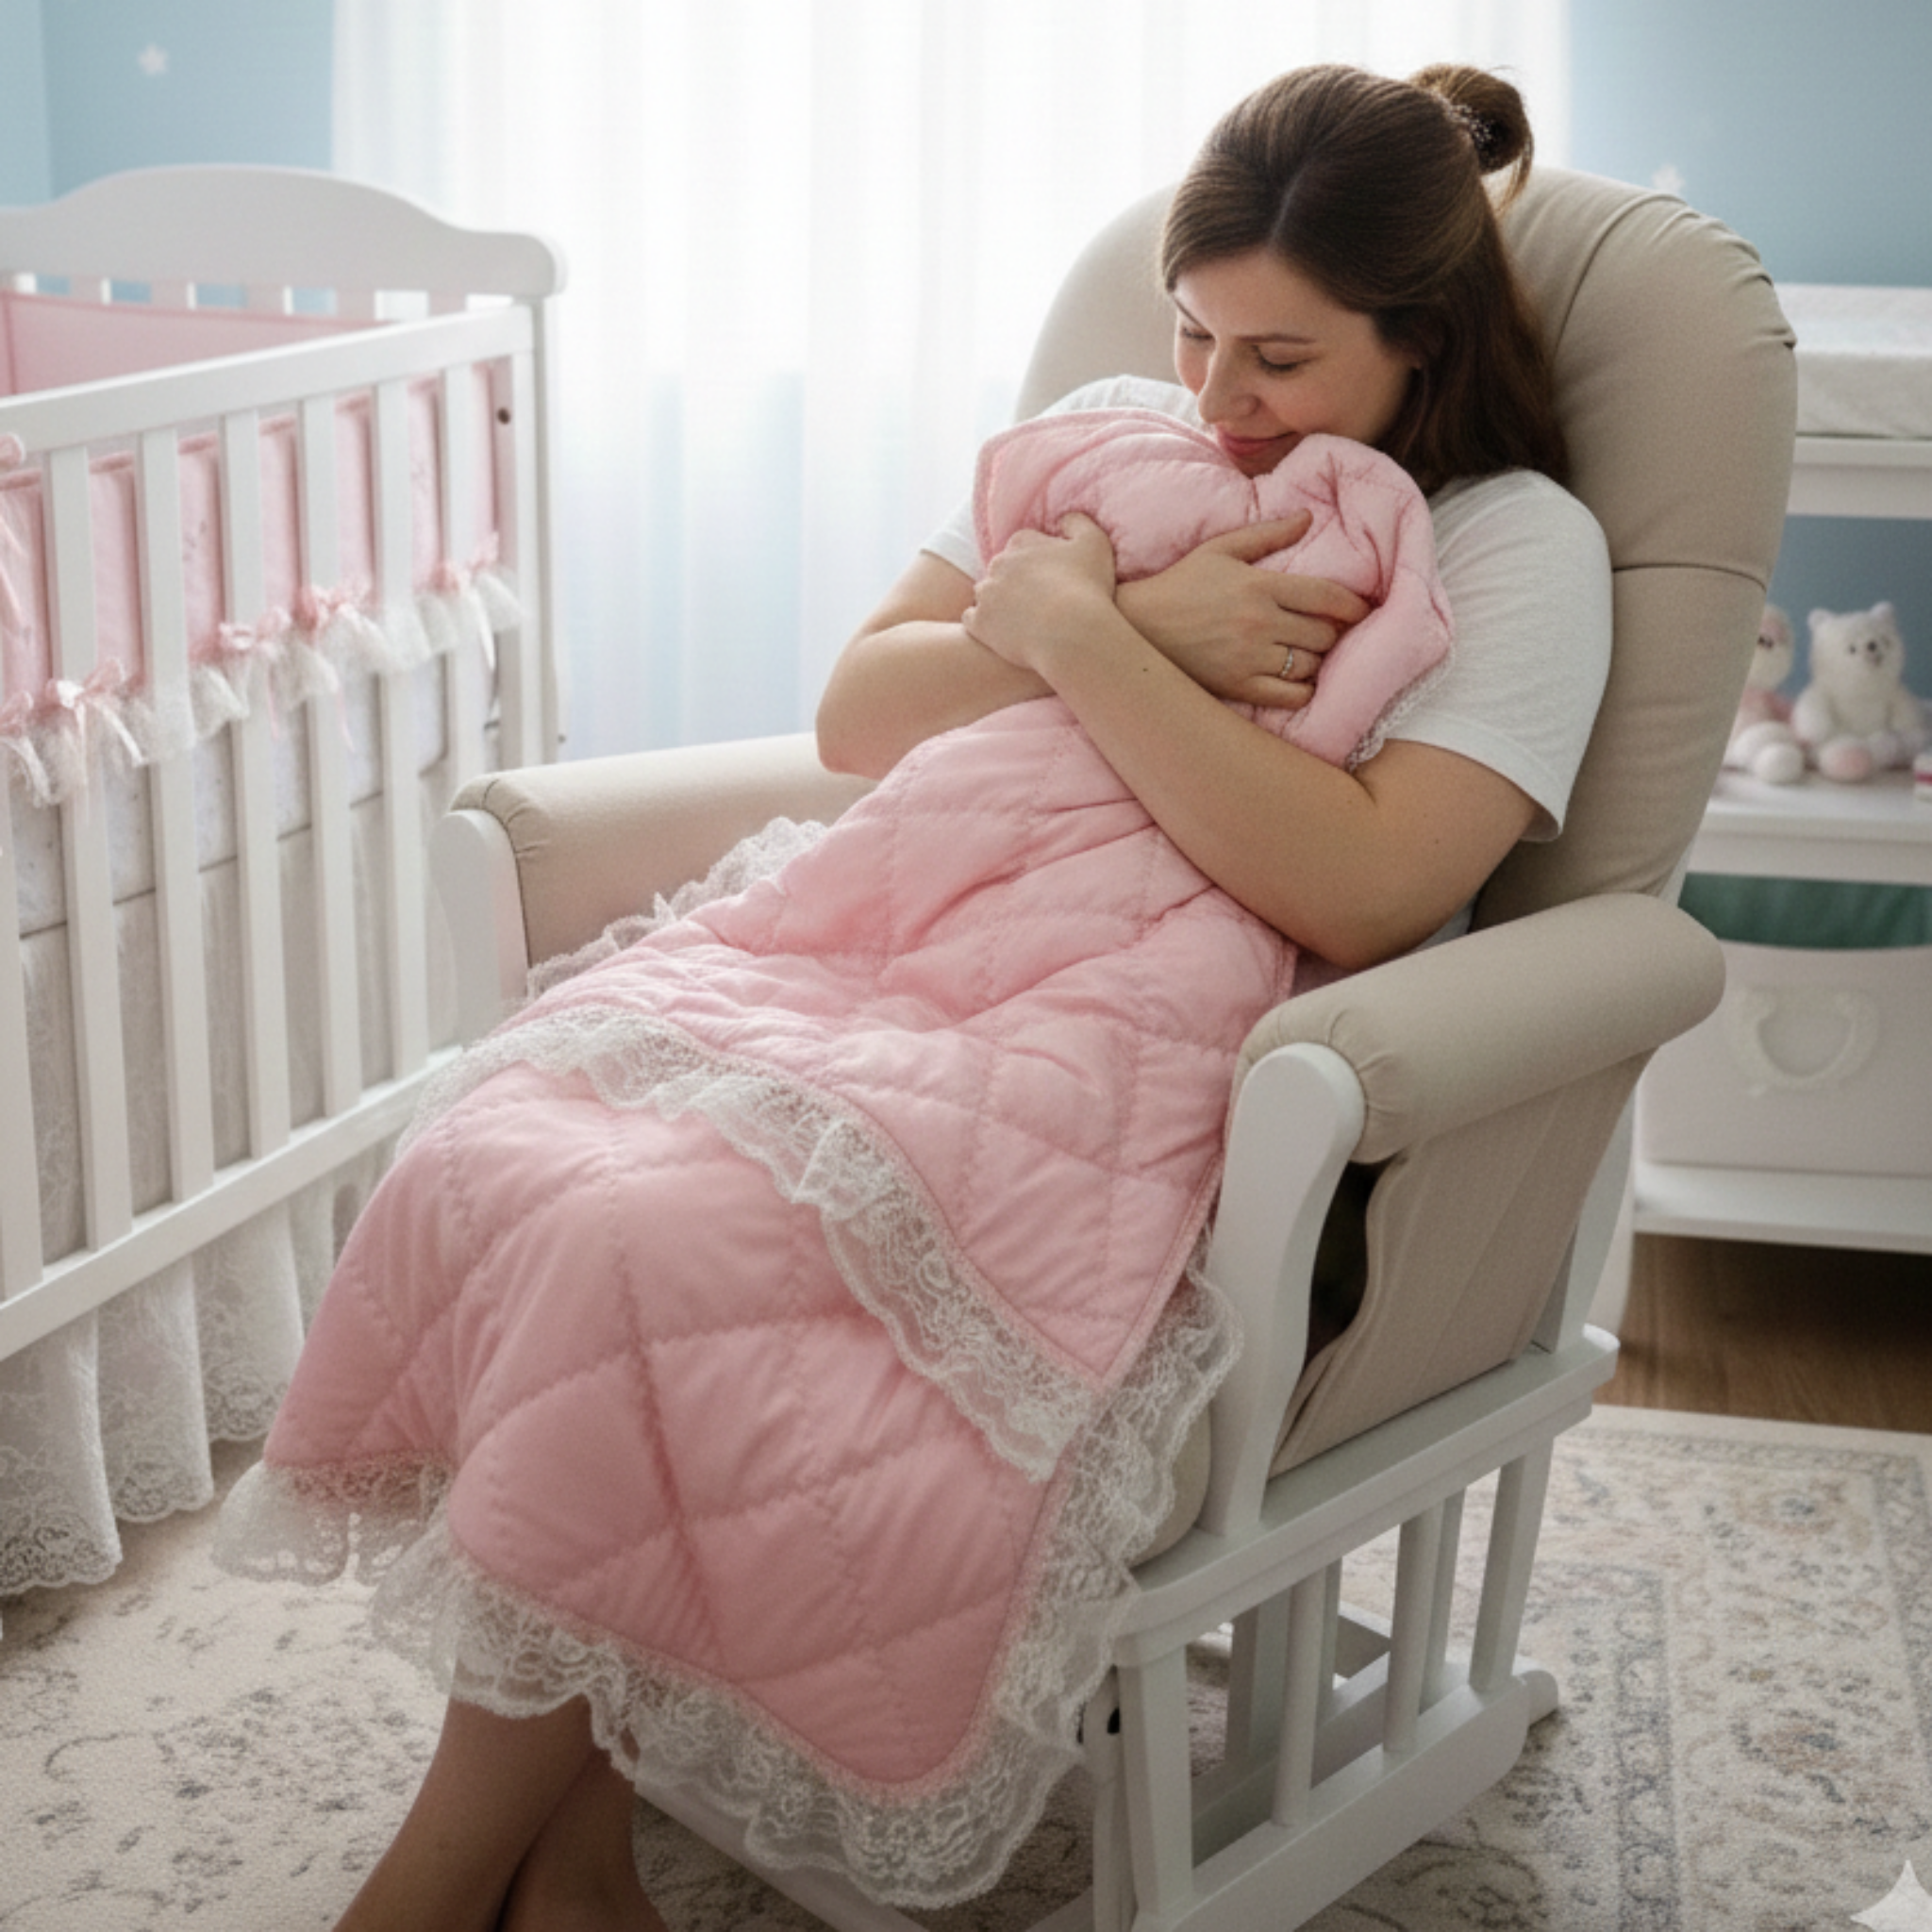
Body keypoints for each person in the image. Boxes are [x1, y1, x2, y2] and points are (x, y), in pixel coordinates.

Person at [214, 61, 1610, 1932]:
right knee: (518, 1158)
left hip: (1202, 1066)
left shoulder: (1514, 543)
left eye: (1275, 359)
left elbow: (1361, 890)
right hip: (911, 950)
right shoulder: (1118, 439)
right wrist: (1086, 618)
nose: (1215, 397)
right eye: (1190, 332)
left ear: (1421, 341)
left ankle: (424, 1891)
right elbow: (862, 714)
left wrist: (1080, 633)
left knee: (663, 1236)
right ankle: (573, 1870)